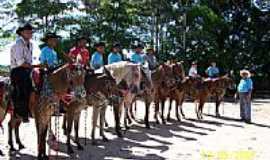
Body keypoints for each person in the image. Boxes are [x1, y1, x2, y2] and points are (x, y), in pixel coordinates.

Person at [10, 23, 34, 122]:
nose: (29, 34)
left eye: (31, 32)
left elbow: (29, 61)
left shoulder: (31, 44)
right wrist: (34, 66)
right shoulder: (17, 45)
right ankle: (21, 112)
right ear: (21, 33)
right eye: (27, 32)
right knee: (23, 88)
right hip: (18, 70)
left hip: (27, 69)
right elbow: (20, 62)